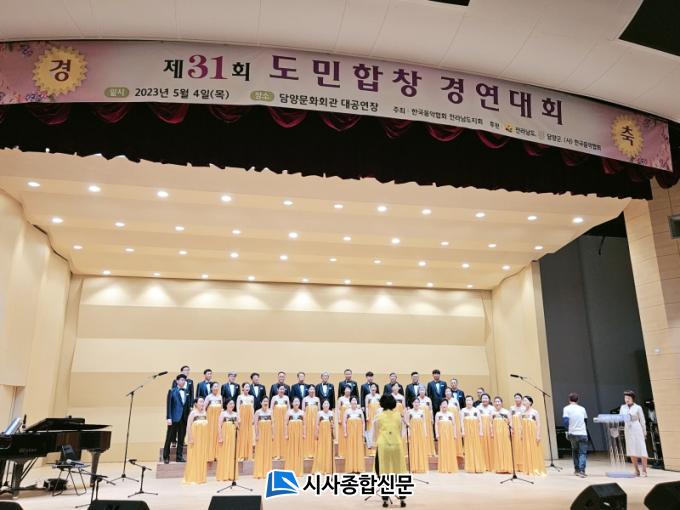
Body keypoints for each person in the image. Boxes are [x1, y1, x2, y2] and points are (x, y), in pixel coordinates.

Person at [374, 394, 407, 508]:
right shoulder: (398, 415)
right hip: (397, 444)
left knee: (382, 471)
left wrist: (374, 442)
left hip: (383, 445)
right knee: (399, 471)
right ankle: (402, 498)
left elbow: (375, 431)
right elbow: (402, 431)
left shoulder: (379, 416)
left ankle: (385, 499)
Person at [163, 374, 192, 463]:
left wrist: (188, 417)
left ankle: (179, 457)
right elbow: (169, 405)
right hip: (174, 418)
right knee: (169, 438)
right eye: (182, 380)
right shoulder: (172, 391)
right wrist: (168, 417)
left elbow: (187, 406)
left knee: (181, 438)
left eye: (184, 380)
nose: (183, 382)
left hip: (184, 418)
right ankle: (166, 457)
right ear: (177, 381)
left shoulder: (187, 391)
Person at [620, 390, 648, 477]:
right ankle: (636, 470)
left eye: (628, 398)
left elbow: (642, 420)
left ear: (632, 398)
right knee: (631, 450)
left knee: (642, 449)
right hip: (628, 429)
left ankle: (644, 470)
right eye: (625, 398)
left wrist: (644, 432)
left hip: (637, 428)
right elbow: (620, 418)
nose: (627, 399)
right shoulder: (622, 407)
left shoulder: (638, 407)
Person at [183, 397, 209, 484]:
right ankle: (193, 477)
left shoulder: (205, 413)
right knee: (194, 456)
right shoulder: (193, 413)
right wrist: (190, 438)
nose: (202, 403)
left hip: (203, 439)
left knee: (202, 456)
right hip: (194, 439)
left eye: (203, 402)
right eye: (200, 402)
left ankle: (201, 477)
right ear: (196, 404)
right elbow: (188, 426)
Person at [563, 392, 588, 477]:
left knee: (575, 451)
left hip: (572, 433)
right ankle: (582, 471)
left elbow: (566, 421)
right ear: (578, 400)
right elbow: (585, 421)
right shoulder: (582, 409)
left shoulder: (566, 408)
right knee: (582, 453)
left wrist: (567, 430)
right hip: (582, 433)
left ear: (569, 400)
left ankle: (577, 470)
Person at [521, 396, 546, 476]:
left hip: (533, 433)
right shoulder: (523, 412)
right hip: (526, 434)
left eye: (525, 400)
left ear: (530, 402)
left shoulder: (535, 412)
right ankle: (529, 468)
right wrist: (521, 434)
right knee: (527, 449)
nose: (524, 402)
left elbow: (538, 424)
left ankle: (536, 468)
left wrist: (538, 435)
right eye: (523, 401)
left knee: (534, 449)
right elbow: (522, 425)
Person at [461, 395, 486, 473]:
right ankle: (470, 467)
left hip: (475, 431)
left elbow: (480, 422)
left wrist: (481, 431)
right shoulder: (463, 411)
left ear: (472, 401)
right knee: (468, 448)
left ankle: (478, 466)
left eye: (470, 400)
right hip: (467, 432)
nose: (468, 402)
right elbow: (461, 422)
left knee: (476, 448)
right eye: (467, 400)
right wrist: (463, 431)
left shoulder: (476, 410)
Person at [216, 399, 239, 481]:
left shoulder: (236, 414)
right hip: (225, 436)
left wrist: (237, 425)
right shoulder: (223, 414)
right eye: (230, 403)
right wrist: (220, 437)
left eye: (233, 403)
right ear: (227, 405)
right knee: (224, 454)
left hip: (233, 437)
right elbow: (219, 425)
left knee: (232, 455)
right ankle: (223, 475)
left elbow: (238, 427)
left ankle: (231, 474)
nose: (232, 405)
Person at [405, 398, 429, 473]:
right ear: (412, 403)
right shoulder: (409, 412)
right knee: (413, 448)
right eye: (415, 402)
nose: (416, 404)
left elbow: (424, 423)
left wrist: (425, 432)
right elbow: (407, 422)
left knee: (421, 448)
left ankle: (421, 466)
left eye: (418, 402)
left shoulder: (422, 412)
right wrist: (409, 432)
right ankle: (414, 467)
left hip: (420, 432)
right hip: (413, 432)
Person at [435, 400, 458, 473]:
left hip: (450, 434)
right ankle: (443, 467)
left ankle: (451, 467)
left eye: (445, 403)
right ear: (440, 406)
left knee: (450, 449)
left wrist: (454, 434)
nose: (444, 405)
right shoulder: (438, 414)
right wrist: (437, 434)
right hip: (441, 435)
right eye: (442, 404)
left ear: (447, 405)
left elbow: (454, 424)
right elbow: (436, 424)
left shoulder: (451, 414)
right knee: (443, 449)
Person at [253, 397, 273, 479]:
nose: (266, 403)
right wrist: (256, 435)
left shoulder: (271, 412)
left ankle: (267, 472)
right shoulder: (257, 412)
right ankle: (259, 472)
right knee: (260, 452)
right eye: (264, 401)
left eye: (267, 401)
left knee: (268, 452)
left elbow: (273, 424)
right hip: (260, 435)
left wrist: (273, 434)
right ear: (261, 402)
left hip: (268, 435)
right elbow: (255, 424)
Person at [344, 397, 366, 473]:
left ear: (357, 402)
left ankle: (358, 468)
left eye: (355, 400)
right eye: (352, 400)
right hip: (350, 433)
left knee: (358, 448)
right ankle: (350, 468)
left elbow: (363, 422)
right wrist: (345, 432)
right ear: (350, 402)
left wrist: (363, 432)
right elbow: (344, 422)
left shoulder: (360, 411)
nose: (354, 401)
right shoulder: (347, 411)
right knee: (350, 448)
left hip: (358, 433)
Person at [312, 400, 335, 473]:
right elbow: (317, 425)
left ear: (329, 405)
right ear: (322, 405)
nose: (326, 404)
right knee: (321, 449)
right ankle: (320, 468)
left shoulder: (332, 413)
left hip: (329, 434)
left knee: (328, 449)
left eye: (327, 403)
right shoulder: (319, 413)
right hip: (321, 434)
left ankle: (328, 468)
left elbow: (334, 425)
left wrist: (333, 433)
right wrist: (317, 434)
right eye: (324, 403)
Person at [285, 397, 305, 476]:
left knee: (299, 450)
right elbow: (286, 424)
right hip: (291, 435)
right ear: (292, 403)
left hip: (299, 435)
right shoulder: (288, 412)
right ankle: (290, 469)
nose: (296, 403)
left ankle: (298, 470)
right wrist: (286, 434)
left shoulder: (302, 413)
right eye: (295, 401)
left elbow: (304, 424)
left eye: (298, 401)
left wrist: (304, 433)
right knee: (291, 450)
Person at [492, 397, 513, 474]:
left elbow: (510, 422)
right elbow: (491, 423)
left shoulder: (506, 412)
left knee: (505, 448)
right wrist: (491, 432)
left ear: (501, 403)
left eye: (498, 401)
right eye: (495, 402)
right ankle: (499, 468)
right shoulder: (492, 413)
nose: (497, 403)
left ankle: (507, 467)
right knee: (498, 449)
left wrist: (510, 431)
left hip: (504, 433)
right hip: (496, 434)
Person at [236, 383, 255, 461]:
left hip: (249, 418)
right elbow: (237, 408)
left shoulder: (252, 397)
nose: (247, 388)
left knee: (249, 435)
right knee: (242, 435)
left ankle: (249, 455)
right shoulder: (240, 397)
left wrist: (253, 418)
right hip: (242, 417)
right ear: (243, 388)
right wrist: (239, 418)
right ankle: (241, 455)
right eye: (246, 386)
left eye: (248, 387)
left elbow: (252, 408)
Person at [205, 382, 223, 461]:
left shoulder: (220, 397)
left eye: (217, 387)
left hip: (218, 419)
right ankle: (210, 454)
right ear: (211, 388)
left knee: (217, 435)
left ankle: (217, 455)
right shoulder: (208, 397)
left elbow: (221, 408)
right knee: (210, 435)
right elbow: (204, 408)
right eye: (215, 386)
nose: (216, 388)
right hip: (210, 420)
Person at [477, 393, 495, 471]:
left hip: (490, 429)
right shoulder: (478, 408)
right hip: (481, 429)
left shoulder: (492, 408)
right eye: (483, 398)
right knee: (482, 445)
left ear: (489, 400)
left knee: (491, 445)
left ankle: (491, 465)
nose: (484, 400)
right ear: (481, 399)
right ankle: (483, 464)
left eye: (486, 398)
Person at [271, 385, 290, 460]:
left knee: (284, 435)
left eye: (283, 389)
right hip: (276, 420)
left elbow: (289, 409)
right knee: (277, 435)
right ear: (277, 390)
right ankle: (276, 453)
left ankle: (284, 453)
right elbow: (271, 409)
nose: (282, 390)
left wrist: (288, 420)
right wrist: (272, 419)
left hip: (284, 421)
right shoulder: (274, 398)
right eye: (280, 389)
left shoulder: (286, 398)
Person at [443, 387, 462, 458]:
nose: (448, 393)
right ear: (445, 393)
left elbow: (459, 411)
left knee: (456, 435)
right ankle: (449, 452)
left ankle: (457, 451)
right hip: (447, 423)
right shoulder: (443, 401)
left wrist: (460, 421)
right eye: (446, 392)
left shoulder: (455, 400)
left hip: (456, 421)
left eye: (449, 391)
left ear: (451, 393)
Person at [302, 385, 320, 458]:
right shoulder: (305, 399)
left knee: (315, 434)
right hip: (307, 420)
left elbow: (319, 411)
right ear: (308, 390)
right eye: (310, 389)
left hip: (315, 420)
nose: (312, 390)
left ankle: (315, 452)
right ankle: (307, 452)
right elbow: (303, 411)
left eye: (313, 389)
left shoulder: (317, 399)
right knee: (308, 434)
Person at [418, 386, 436, 457]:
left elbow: (431, 410)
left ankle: (429, 450)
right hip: (420, 421)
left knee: (428, 434)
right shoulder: (417, 399)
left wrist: (432, 418)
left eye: (423, 390)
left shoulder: (428, 399)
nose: (422, 391)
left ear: (425, 391)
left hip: (427, 420)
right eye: (420, 390)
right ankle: (422, 451)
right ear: (418, 391)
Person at [509, 393, 525, 473]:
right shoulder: (512, 408)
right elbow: (510, 418)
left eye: (518, 397)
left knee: (522, 445)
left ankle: (523, 464)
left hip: (522, 429)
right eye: (515, 398)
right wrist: (511, 428)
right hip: (514, 430)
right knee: (515, 445)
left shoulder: (524, 408)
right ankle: (515, 464)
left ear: (521, 399)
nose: (516, 399)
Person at [365, 383, 381, 456]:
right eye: (372, 387)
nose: (373, 388)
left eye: (374, 387)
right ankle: (371, 450)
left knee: (377, 431)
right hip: (370, 416)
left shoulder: (379, 396)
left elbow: (381, 407)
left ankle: (378, 449)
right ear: (370, 389)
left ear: (376, 389)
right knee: (370, 431)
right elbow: (366, 407)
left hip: (377, 416)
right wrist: (367, 416)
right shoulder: (367, 396)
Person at [337, 386, 353, 458]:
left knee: (349, 435)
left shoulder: (352, 399)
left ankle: (349, 452)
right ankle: (342, 452)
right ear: (344, 391)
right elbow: (338, 409)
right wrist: (339, 418)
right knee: (342, 435)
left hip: (350, 421)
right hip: (342, 420)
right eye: (346, 389)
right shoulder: (341, 399)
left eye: (349, 389)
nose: (347, 390)